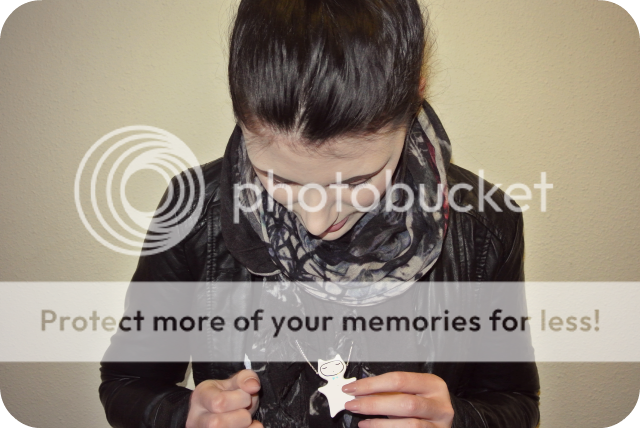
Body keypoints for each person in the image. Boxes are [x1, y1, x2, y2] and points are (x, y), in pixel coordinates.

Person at [99, 1, 540, 427]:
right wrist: (183, 416)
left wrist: (459, 421)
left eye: (355, 181)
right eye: (279, 178)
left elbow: (514, 402)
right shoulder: (194, 210)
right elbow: (128, 383)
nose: (316, 223)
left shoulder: (486, 226)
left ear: (415, 94)